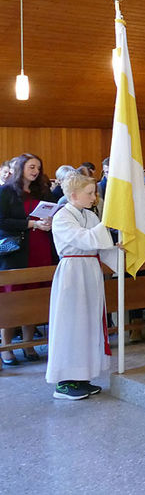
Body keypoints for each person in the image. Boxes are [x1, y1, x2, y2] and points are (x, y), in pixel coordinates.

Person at [46, 170, 120, 400]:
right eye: (89, 193)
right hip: (72, 274)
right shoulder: (62, 216)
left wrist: (121, 251)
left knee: (88, 323)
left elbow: (102, 246)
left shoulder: (90, 216)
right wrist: (108, 223)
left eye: (94, 192)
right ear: (74, 195)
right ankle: (65, 382)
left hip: (90, 272)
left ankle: (82, 376)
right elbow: (84, 239)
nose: (94, 197)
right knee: (71, 324)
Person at [0, 153, 56, 364]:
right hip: (15, 252)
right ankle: (6, 347)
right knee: (13, 299)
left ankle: (29, 344)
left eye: (38, 167)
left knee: (34, 296)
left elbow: (54, 212)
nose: (35, 171)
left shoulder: (42, 191)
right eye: (31, 166)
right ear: (21, 168)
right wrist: (31, 224)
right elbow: (2, 221)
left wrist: (50, 221)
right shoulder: (6, 191)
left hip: (40, 247)